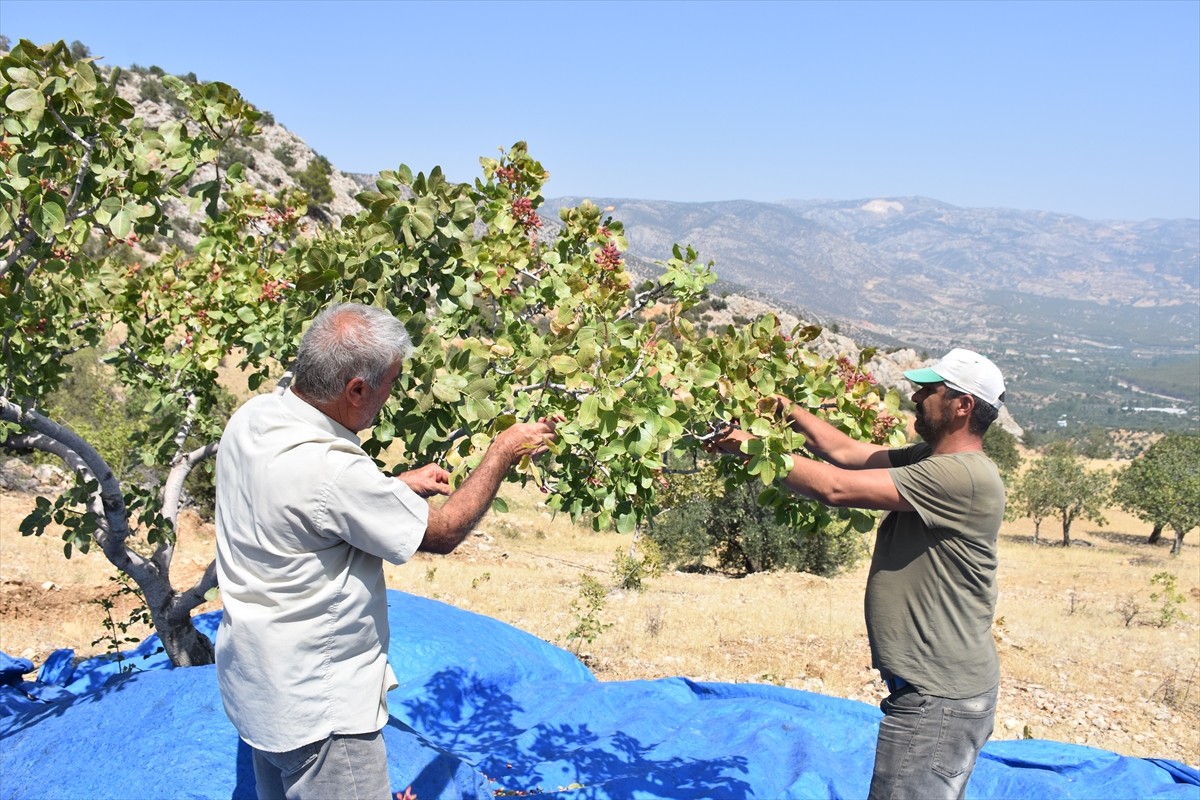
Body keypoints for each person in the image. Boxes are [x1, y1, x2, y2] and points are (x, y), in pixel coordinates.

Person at [213, 303, 558, 800]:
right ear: (356, 389)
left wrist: (390, 488)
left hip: (257, 686)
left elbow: (306, 506)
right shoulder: (333, 472)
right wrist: (504, 450)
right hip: (321, 713)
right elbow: (442, 532)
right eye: (391, 381)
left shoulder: (256, 416)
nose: (391, 393)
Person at [711, 347, 1007, 800]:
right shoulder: (929, 460)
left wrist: (742, 443)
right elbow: (845, 452)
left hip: (940, 699)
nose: (916, 397)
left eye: (930, 390)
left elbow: (836, 487)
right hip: (937, 691)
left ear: (962, 405)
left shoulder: (961, 476)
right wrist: (784, 408)